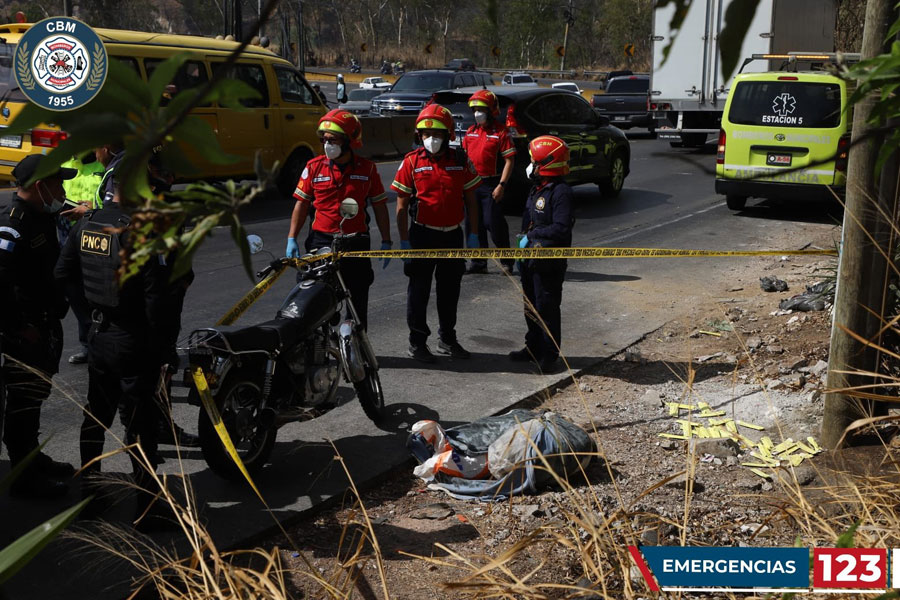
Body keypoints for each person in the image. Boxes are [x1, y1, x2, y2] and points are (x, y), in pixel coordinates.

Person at [55, 179, 175, 528]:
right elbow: (156, 301)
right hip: (132, 339)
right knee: (141, 426)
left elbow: (62, 273)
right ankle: (148, 509)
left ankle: (91, 496)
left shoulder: (87, 224)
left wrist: (93, 306)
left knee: (96, 417)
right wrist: (164, 347)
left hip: (98, 334)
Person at [0, 154, 77, 499]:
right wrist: (17, 327)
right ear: (39, 186)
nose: (62, 190)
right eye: (57, 183)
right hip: (25, 331)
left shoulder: (39, 215)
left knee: (35, 396)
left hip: (43, 325)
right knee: (23, 403)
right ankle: (23, 475)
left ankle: (32, 457)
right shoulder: (13, 224)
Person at [286, 109, 392, 329]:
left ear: (348, 141)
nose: (327, 145)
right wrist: (291, 238)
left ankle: (359, 352)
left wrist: (386, 240)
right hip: (320, 242)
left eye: (332, 140)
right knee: (314, 299)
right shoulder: (314, 167)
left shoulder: (368, 169)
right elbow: (302, 204)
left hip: (355, 242)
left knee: (357, 298)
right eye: (324, 140)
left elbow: (380, 206)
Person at [391, 104, 481, 363]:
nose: (431, 139)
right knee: (418, 291)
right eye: (426, 135)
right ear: (419, 136)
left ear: (449, 135)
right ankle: (417, 342)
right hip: (422, 236)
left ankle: (448, 339)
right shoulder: (411, 162)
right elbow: (401, 205)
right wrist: (404, 242)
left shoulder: (461, 161)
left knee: (450, 291)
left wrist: (473, 235)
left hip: (452, 236)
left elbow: (472, 201)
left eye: (438, 134)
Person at [509, 135, 574, 373]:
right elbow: (530, 220)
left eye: (534, 162)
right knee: (530, 306)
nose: (531, 166)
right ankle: (533, 348)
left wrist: (533, 237)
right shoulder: (537, 188)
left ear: (546, 164)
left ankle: (549, 355)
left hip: (548, 263)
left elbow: (561, 228)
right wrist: (522, 240)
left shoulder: (561, 192)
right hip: (531, 259)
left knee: (546, 308)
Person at [461, 89, 516, 275]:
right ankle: (478, 262)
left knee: (493, 222)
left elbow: (510, 160)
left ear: (491, 111)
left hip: (491, 184)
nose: (477, 113)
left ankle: (507, 261)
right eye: (475, 109)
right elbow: (464, 160)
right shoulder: (470, 132)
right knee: (472, 225)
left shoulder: (501, 133)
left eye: (481, 109)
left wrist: (501, 185)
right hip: (471, 185)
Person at [59, 153, 105, 365]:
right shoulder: (66, 164)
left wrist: (90, 210)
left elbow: (109, 201)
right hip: (68, 231)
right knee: (75, 290)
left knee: (94, 288)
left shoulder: (103, 165)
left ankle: (100, 344)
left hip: (95, 229)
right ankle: (87, 346)